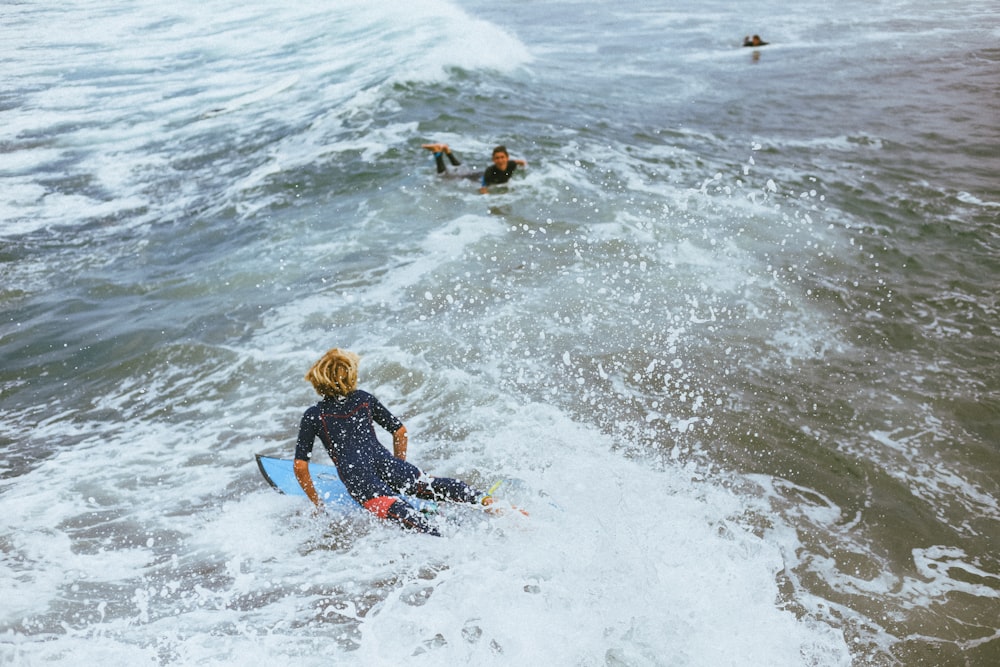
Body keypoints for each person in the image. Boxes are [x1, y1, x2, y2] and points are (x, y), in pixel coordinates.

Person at [293, 348, 493, 536]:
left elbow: (300, 466)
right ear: (351, 375)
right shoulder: (364, 399)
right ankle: (487, 501)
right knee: (434, 486)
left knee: (404, 515)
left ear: (317, 379)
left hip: (359, 478)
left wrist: (317, 503)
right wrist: (400, 464)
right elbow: (400, 432)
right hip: (388, 464)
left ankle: (447, 540)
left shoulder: (314, 415)